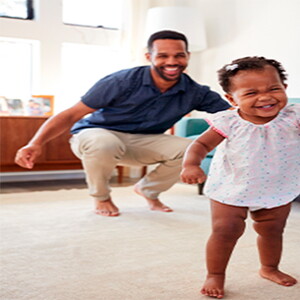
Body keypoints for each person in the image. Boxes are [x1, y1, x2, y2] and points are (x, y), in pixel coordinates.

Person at [14, 30, 230, 217]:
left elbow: (231, 114)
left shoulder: (195, 91)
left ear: (187, 56)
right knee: (104, 142)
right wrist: (36, 143)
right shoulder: (121, 81)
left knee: (189, 149)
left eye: (178, 55)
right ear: (149, 56)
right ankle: (101, 197)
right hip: (96, 134)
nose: (172, 62)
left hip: (145, 140)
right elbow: (72, 114)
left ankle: (148, 190)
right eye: (163, 55)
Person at [181, 56, 299, 298]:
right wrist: (191, 165)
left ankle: (269, 267)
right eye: (251, 93)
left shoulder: (293, 117)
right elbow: (200, 144)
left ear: (285, 88)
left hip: (276, 186)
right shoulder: (229, 121)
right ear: (232, 99)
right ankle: (215, 274)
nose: (265, 97)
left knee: (273, 230)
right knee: (226, 230)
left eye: (273, 89)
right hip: (232, 186)